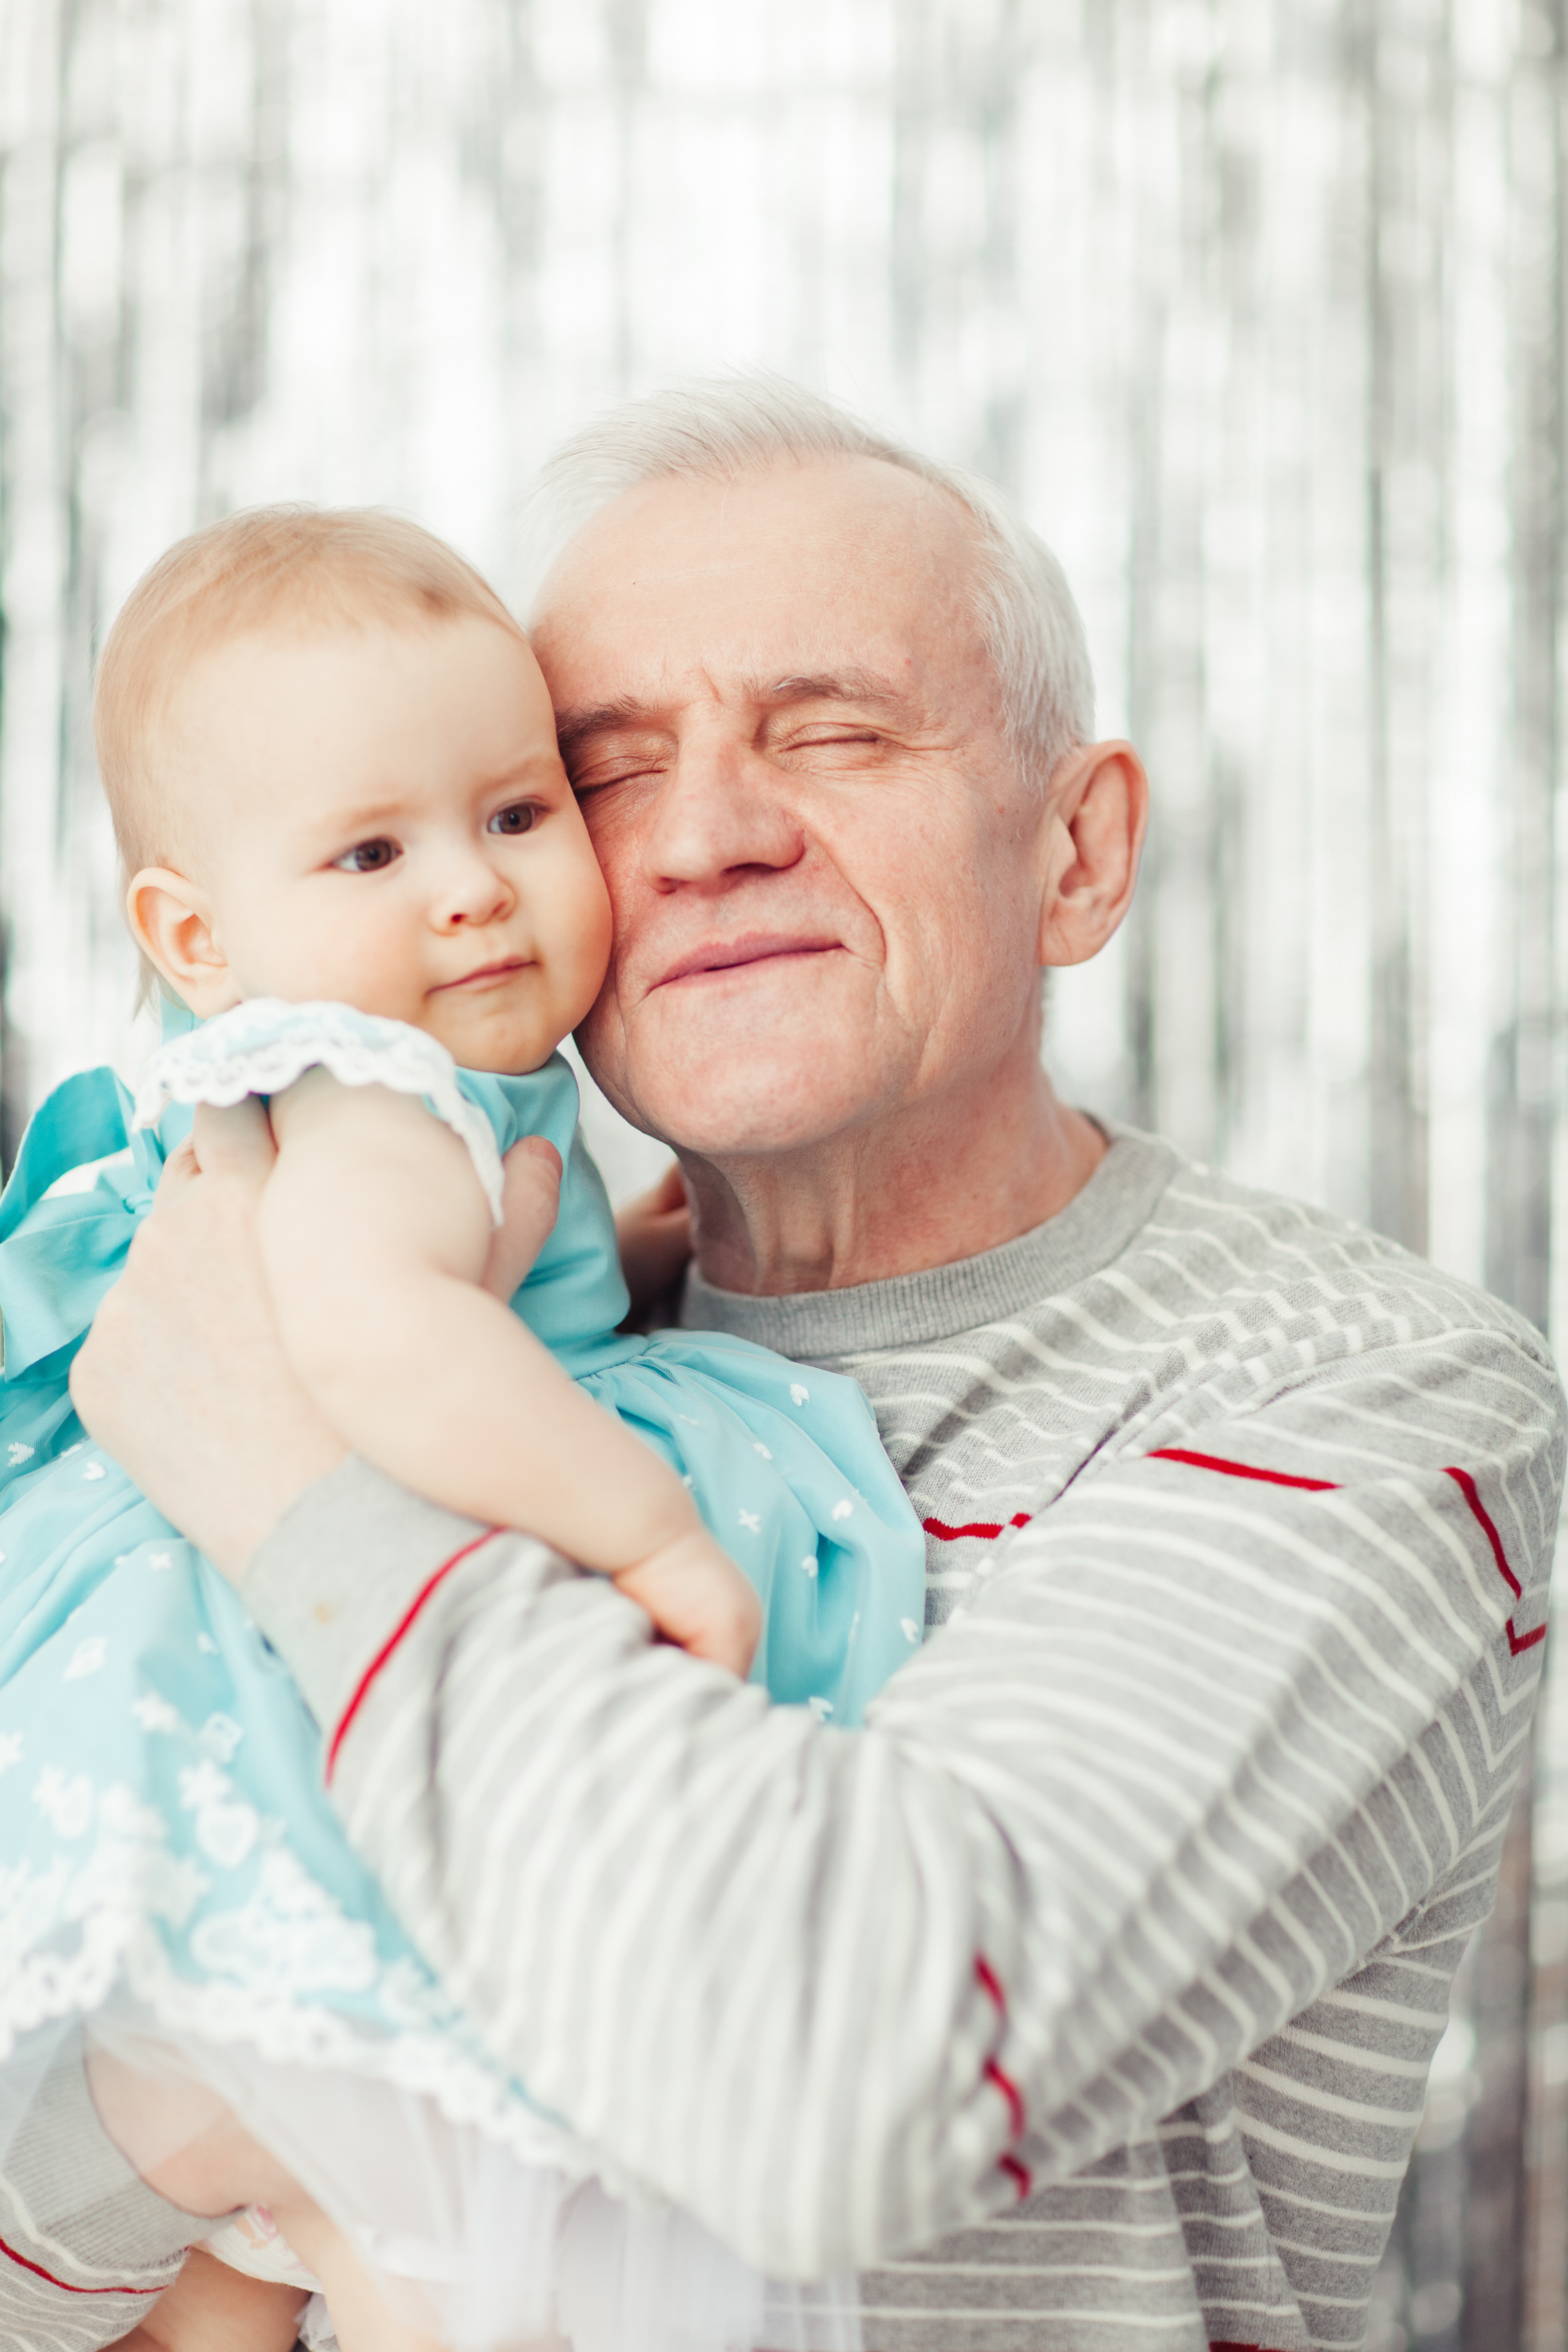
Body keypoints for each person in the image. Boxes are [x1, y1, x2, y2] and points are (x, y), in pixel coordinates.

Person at [75, 377, 1564, 2352]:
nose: (700, 839)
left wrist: (283, 1481)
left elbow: (826, 2101)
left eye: (833, 733)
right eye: (601, 770)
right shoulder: (543, 1337)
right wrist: (156, 2132)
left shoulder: (1354, 1392)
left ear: (1078, 851)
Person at [0, 505, 926, 2349]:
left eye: (515, 814)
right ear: (196, 930)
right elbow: (378, 1328)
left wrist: (644, 1242)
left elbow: (473, 1276)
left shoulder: (392, 1087)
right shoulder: (371, 1089)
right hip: (272, 1690)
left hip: (220, 1712)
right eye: (369, 848)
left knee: (227, 2264)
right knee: (409, 2235)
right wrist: (646, 1526)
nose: (471, 889)